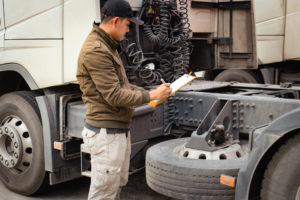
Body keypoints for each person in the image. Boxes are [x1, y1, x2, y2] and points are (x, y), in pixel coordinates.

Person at [76, 0, 172, 199]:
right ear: (116, 21)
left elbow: (123, 86)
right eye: (128, 24)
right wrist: (152, 96)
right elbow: (114, 95)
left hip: (115, 132)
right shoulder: (96, 51)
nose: (128, 31)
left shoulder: (107, 46)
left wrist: (152, 90)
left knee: (114, 187)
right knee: (104, 193)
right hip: (106, 134)